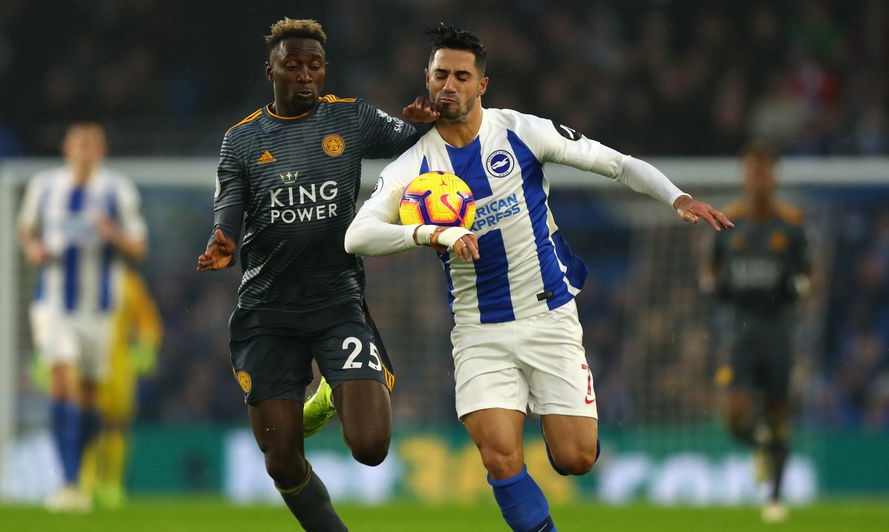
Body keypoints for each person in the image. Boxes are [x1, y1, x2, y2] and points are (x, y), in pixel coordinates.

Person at [343, 24, 733, 532]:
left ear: (482, 85)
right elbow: (358, 235)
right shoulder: (414, 166)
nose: (449, 85)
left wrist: (676, 196)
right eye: (441, 74)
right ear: (428, 77)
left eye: (462, 76)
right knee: (500, 456)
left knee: (575, 458)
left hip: (549, 315)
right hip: (480, 331)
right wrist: (428, 235)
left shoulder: (520, 132)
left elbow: (613, 163)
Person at [195, 18, 435, 531]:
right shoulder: (241, 140)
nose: (306, 75)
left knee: (370, 447)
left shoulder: (351, 120)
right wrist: (223, 239)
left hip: (336, 303)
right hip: (267, 312)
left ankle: (331, 389)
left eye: (315, 66)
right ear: (271, 70)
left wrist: (420, 119)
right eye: (294, 65)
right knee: (282, 461)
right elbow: (231, 202)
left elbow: (411, 137)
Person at [18, 122, 148, 511]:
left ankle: (82, 480)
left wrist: (114, 236)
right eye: (79, 144)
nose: (85, 150)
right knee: (62, 380)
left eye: (92, 144)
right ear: (67, 148)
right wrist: (34, 250)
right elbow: (26, 232)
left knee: (91, 397)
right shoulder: (43, 186)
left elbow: (139, 248)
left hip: (101, 310)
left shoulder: (117, 190)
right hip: (54, 304)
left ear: (102, 150)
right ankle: (69, 483)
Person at [700, 141, 809, 523]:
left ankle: (776, 499)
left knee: (779, 414)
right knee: (733, 415)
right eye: (750, 170)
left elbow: (808, 274)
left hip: (778, 332)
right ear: (744, 175)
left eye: (762, 170)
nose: (756, 178)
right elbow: (710, 270)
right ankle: (761, 443)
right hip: (741, 333)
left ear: (773, 175)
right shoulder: (730, 222)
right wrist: (712, 283)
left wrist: (802, 287)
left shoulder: (791, 225)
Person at [80, 266, 162, 508]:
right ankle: (88, 481)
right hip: (89, 359)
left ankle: (113, 484)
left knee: (117, 423)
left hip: (119, 364)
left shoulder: (128, 283)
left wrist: (146, 348)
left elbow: (148, 322)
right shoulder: (83, 280)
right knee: (89, 419)